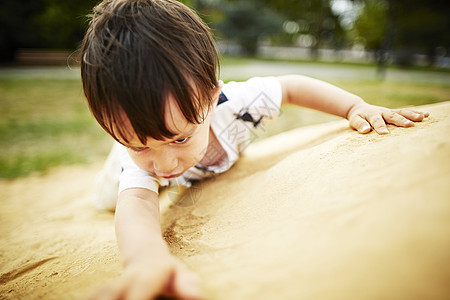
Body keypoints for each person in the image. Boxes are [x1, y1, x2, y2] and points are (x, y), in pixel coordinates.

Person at [80, 0, 429, 299]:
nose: (164, 162)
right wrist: (145, 259)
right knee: (113, 197)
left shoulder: (239, 103)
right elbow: (137, 204)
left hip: (207, 157)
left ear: (212, 96)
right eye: (137, 143)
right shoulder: (135, 160)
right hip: (118, 179)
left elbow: (292, 87)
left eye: (179, 138)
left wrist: (355, 107)